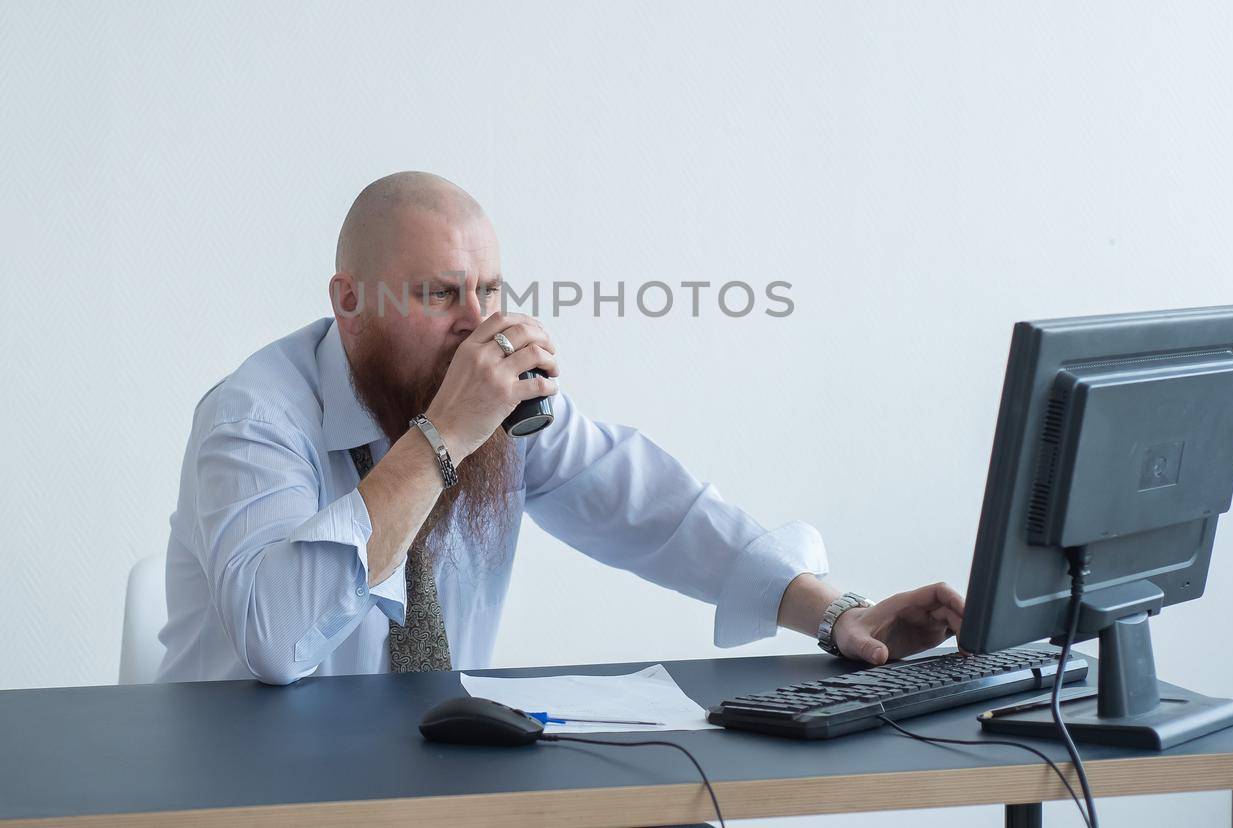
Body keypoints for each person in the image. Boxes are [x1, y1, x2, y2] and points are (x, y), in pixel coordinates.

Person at [156, 171, 964, 684]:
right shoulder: (253, 420)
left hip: (435, 779)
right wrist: (441, 439)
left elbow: (653, 509)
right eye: (440, 295)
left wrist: (832, 613)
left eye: (489, 290)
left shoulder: (496, 405)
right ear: (349, 302)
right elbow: (276, 637)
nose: (477, 326)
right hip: (254, 791)